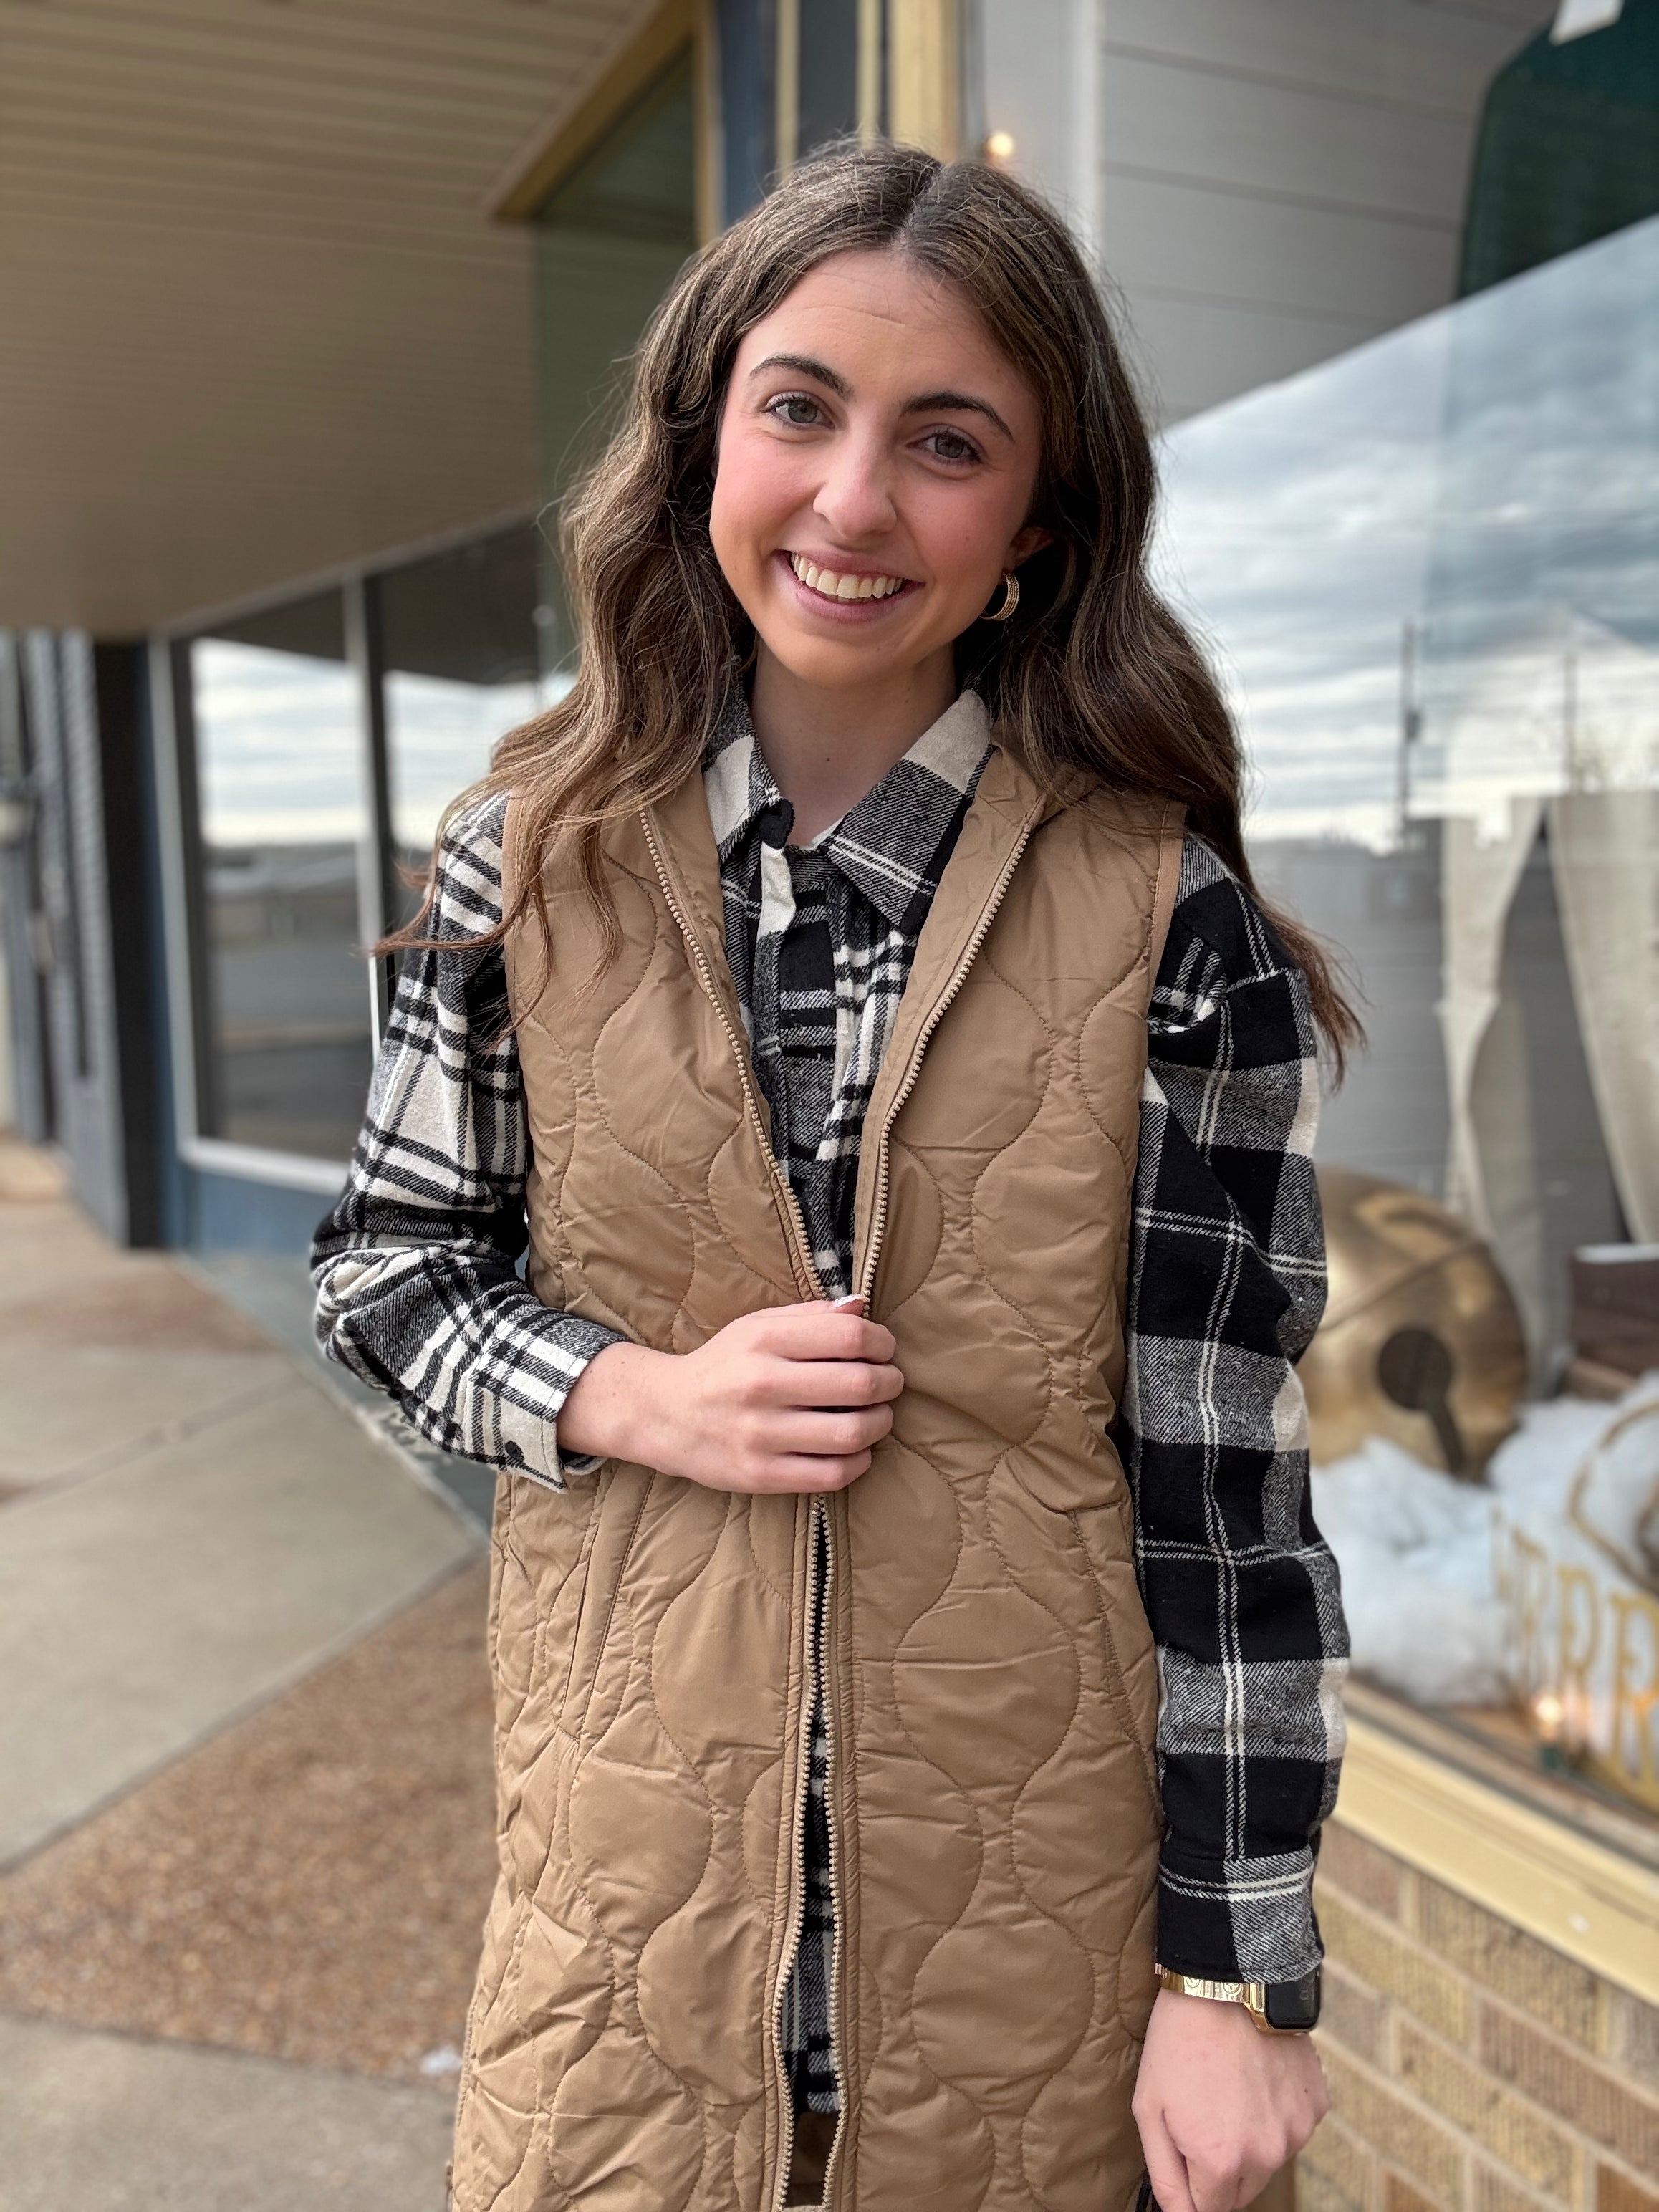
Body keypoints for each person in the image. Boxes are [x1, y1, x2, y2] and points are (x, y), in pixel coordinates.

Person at [313, 141, 1353, 2212]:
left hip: (1028, 1973)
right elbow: (381, 1282)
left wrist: (1235, 1979)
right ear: (707, 433)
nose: (854, 503)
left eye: (944, 443)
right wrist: (637, 1396)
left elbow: (1225, 1492)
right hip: (621, 1946)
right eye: (799, 408)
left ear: (1037, 527)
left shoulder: (1168, 920)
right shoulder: (516, 861)